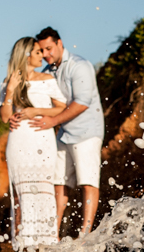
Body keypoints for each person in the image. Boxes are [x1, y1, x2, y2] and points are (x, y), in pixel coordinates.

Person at [27, 27, 104, 235]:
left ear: (60, 44)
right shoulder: (46, 73)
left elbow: (82, 103)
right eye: (41, 51)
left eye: (49, 49)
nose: (45, 55)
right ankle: (53, 232)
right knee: (59, 182)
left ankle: (85, 234)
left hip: (87, 131)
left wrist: (53, 121)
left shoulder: (80, 66)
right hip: (63, 133)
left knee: (88, 181)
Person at [0, 37, 67, 249]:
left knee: (44, 189)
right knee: (22, 194)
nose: (43, 56)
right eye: (38, 52)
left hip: (42, 139)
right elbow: (4, 117)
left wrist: (36, 111)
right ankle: (23, 244)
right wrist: (10, 90)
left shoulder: (47, 78)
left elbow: (62, 107)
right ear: (26, 55)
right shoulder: (9, 81)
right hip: (19, 141)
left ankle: (47, 243)